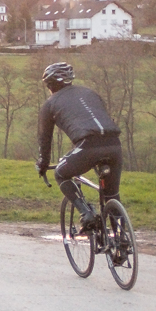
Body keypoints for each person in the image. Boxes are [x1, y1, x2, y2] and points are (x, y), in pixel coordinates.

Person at [36, 61, 123, 232]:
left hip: (88, 146)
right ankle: (121, 240)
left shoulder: (50, 104)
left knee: (61, 173)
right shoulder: (90, 93)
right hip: (114, 144)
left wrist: (43, 163)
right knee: (111, 195)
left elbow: (44, 138)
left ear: (51, 85)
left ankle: (86, 213)